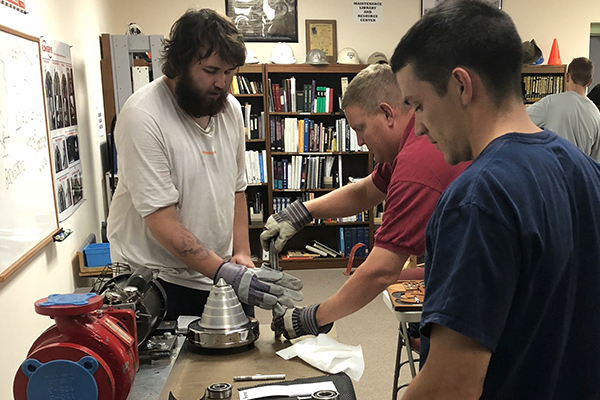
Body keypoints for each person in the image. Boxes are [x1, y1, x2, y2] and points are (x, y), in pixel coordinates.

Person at [391, 1, 600, 399]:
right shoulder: (587, 172)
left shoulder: (476, 199)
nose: (417, 126)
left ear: (461, 85)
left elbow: (450, 389)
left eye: (418, 105)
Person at [107, 9, 302, 320]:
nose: (222, 83)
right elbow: (163, 221)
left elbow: (237, 189)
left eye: (229, 72)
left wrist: (240, 253)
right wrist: (226, 272)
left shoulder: (231, 109)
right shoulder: (143, 116)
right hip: (160, 280)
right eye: (211, 70)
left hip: (222, 269)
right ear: (180, 64)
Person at [260, 64, 468, 339]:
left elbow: (381, 271)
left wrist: (313, 317)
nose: (358, 141)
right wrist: (303, 211)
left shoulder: (418, 164)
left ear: (387, 113)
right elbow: (367, 190)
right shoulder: (410, 143)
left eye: (361, 128)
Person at [526, 57, 600, 161]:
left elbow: (520, 120)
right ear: (589, 82)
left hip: (553, 173)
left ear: (567, 77)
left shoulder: (550, 103)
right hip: (580, 175)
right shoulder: (596, 114)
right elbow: (595, 161)